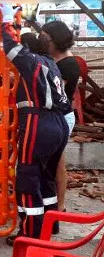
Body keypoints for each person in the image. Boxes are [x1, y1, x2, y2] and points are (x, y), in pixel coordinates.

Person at [0, 4, 71, 244]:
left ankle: (30, 235)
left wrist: (6, 20)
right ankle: (50, 227)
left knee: (28, 179)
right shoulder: (50, 63)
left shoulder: (31, 63)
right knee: (46, 178)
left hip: (38, 123)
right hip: (58, 124)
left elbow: (10, 48)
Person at [41, 21, 81, 216]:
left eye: (45, 39)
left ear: (55, 40)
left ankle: (60, 207)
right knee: (52, 163)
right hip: (54, 116)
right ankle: (53, 203)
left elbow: (55, 94)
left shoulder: (69, 64)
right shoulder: (54, 58)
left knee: (58, 164)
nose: (43, 42)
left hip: (62, 117)